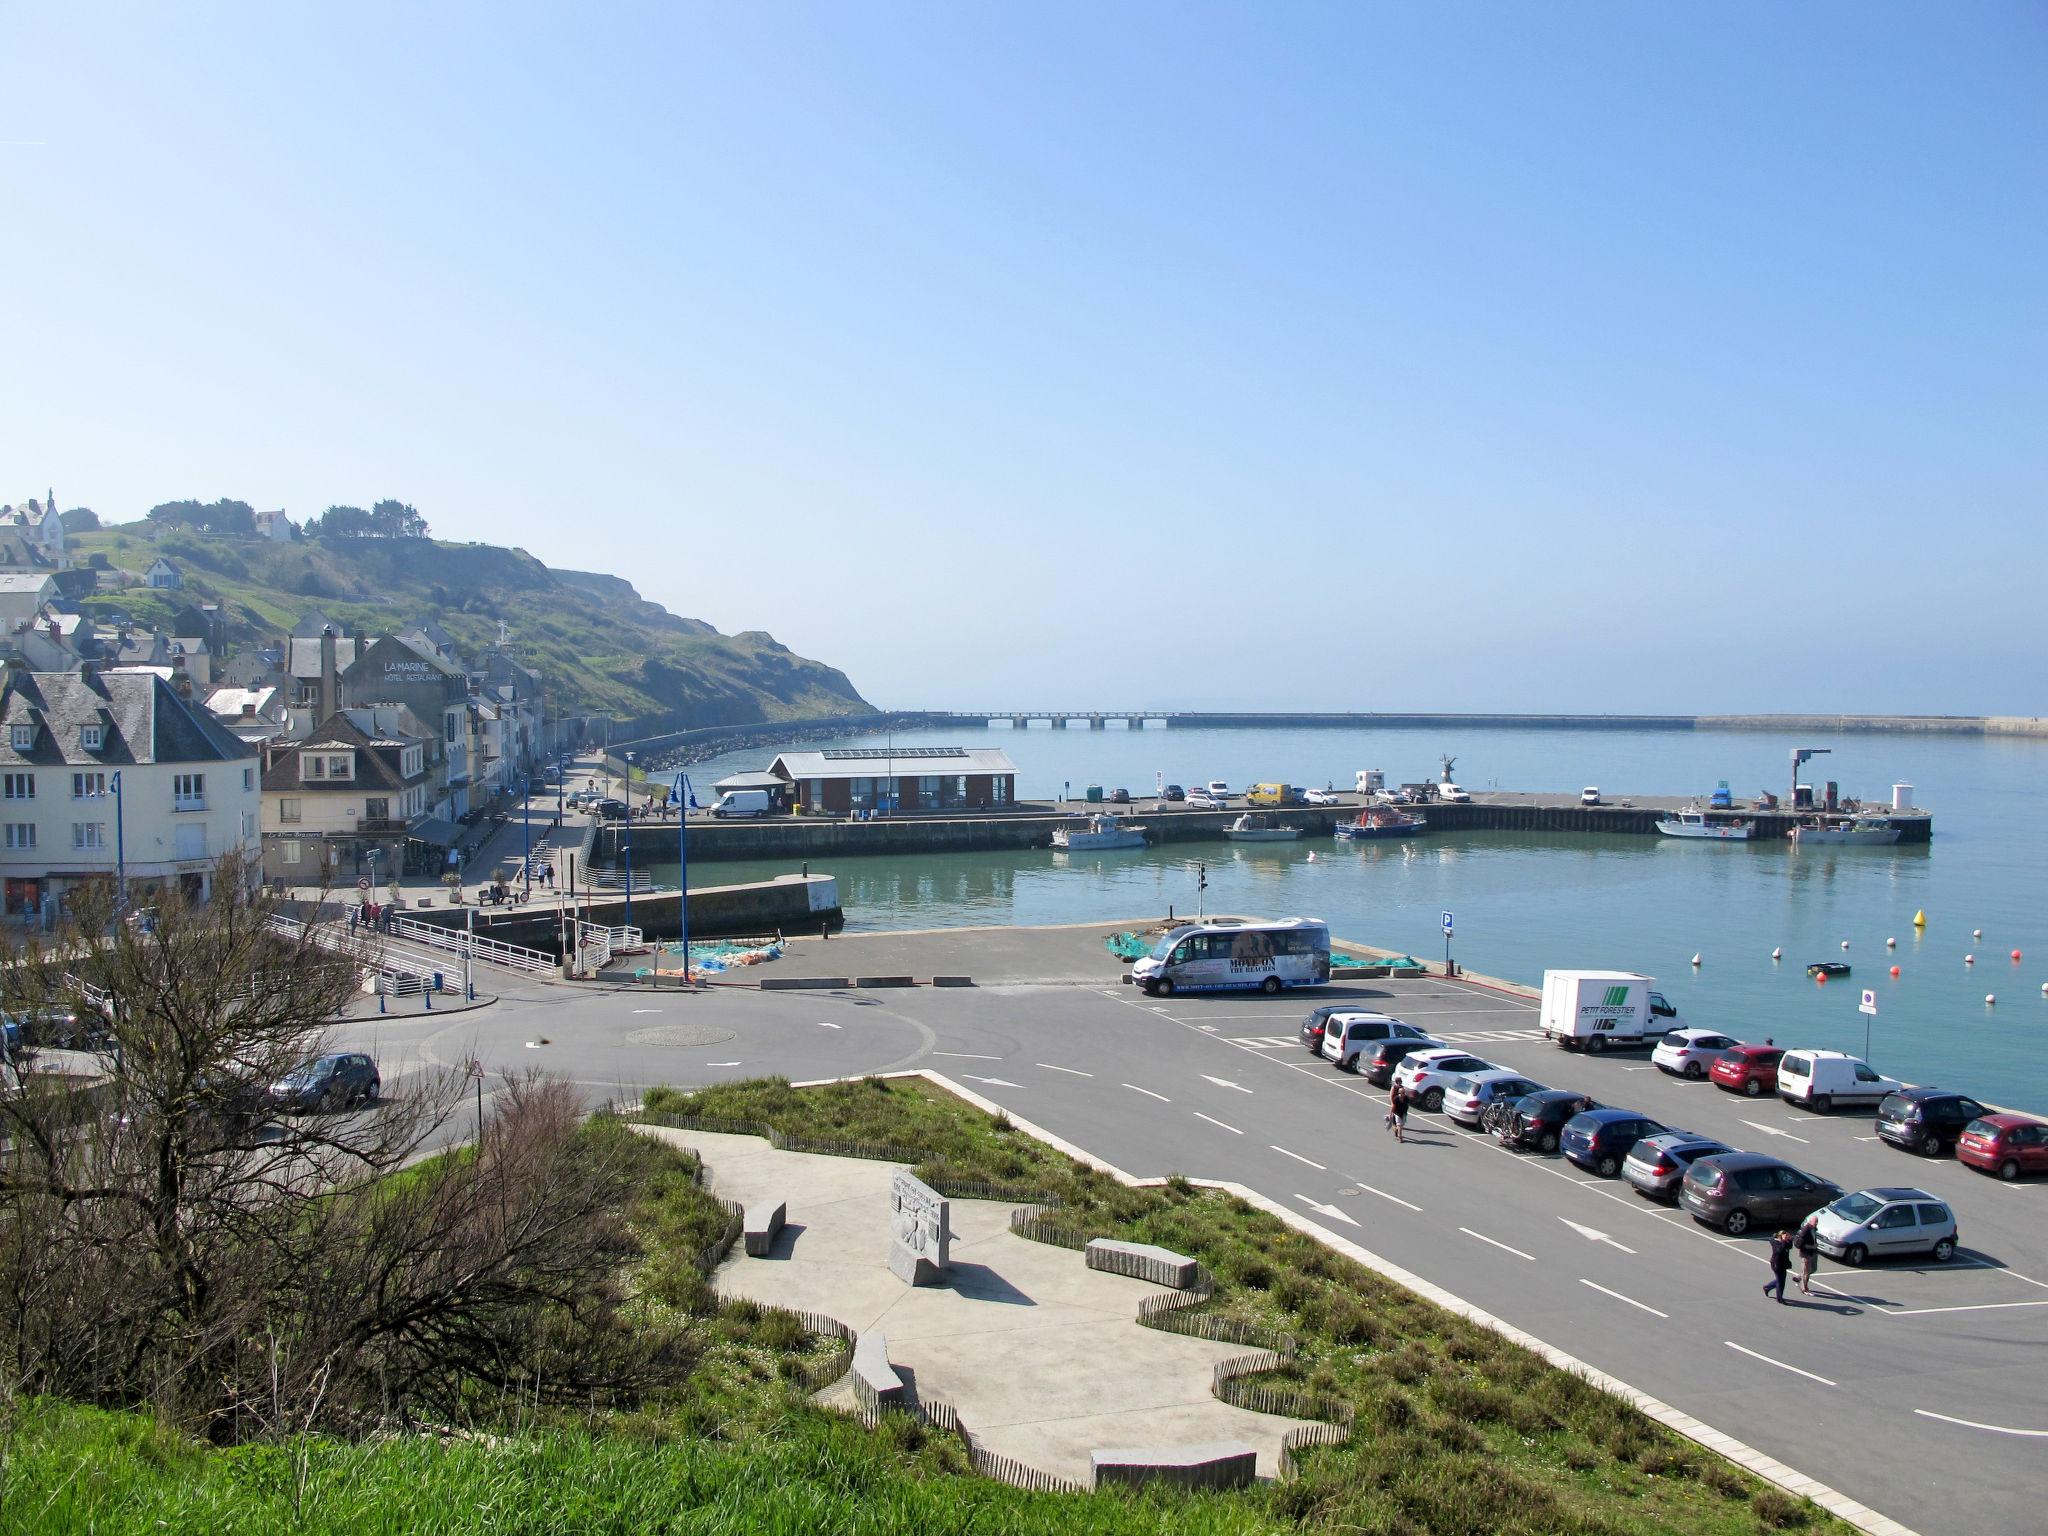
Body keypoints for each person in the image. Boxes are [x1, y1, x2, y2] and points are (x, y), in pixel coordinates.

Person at [1764, 1228, 1794, 1303]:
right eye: (1785, 1236)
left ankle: (1767, 1287)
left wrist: (1790, 1239)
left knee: (1780, 1280)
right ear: (1780, 1237)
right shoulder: (1775, 1243)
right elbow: (1780, 1250)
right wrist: (1783, 1240)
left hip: (1783, 1264)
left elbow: (1790, 1246)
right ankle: (1779, 1298)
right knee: (1781, 1282)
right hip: (1776, 1265)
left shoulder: (1785, 1242)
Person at [1795, 1218, 1820, 1295]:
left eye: (1817, 1221)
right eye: (1815, 1222)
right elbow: (1800, 1244)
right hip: (1806, 1254)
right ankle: (1804, 1288)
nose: (1816, 1223)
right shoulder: (1805, 1230)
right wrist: (1812, 1246)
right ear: (1810, 1222)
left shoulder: (1813, 1228)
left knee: (1813, 1269)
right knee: (1806, 1272)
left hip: (1813, 1252)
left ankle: (1799, 1277)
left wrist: (1814, 1247)